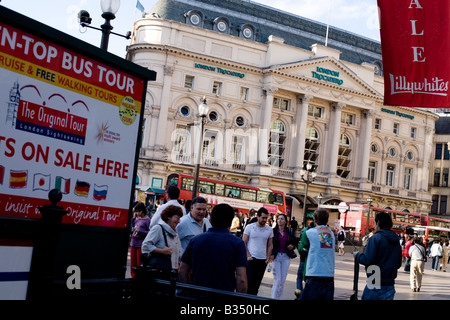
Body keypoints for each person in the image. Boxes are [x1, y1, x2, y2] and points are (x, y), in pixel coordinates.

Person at [178, 203, 248, 293]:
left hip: (197, 296)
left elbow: (182, 271)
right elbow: (241, 278)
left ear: (210, 219)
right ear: (231, 222)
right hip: (224, 296)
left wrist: (190, 292)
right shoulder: (238, 244)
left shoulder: (195, 240)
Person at [353, 211, 402, 300]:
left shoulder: (375, 238)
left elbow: (368, 260)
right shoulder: (396, 239)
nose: (374, 226)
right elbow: (398, 263)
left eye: (374, 223)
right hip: (389, 284)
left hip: (374, 281)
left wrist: (358, 255)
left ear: (378, 222)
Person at [299, 208, 335, 300]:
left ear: (314, 220)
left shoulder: (309, 232)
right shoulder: (331, 233)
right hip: (329, 276)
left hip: (314, 275)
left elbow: (302, 250)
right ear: (327, 220)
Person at [141, 205, 183, 273]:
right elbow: (145, 245)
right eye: (177, 218)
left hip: (172, 271)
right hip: (160, 271)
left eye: (179, 218)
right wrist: (162, 251)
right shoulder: (158, 228)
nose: (179, 221)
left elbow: (179, 252)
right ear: (169, 217)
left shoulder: (175, 233)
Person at [242, 207, 274, 295]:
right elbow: (244, 242)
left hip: (262, 260)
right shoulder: (249, 227)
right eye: (263, 218)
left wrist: (268, 258)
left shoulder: (269, 229)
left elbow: (270, 244)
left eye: (266, 218)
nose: (265, 220)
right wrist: (248, 256)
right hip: (251, 259)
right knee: (249, 282)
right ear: (258, 217)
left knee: (256, 285)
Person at [270, 213, 296, 299]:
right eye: (278, 219)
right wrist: (271, 254)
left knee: (282, 280)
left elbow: (294, 241)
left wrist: (292, 246)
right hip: (276, 257)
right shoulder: (273, 231)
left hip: (286, 257)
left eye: (282, 219)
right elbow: (270, 244)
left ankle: (279, 298)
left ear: (285, 221)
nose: (280, 220)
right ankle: (273, 298)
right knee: (277, 280)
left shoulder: (289, 231)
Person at [129, 202, 150, 278]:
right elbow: (131, 227)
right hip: (133, 243)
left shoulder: (148, 220)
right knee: (133, 263)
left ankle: (138, 278)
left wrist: (140, 231)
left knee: (139, 263)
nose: (137, 213)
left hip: (140, 244)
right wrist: (133, 219)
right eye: (136, 211)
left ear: (142, 211)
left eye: (138, 211)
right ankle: (133, 277)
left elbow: (149, 233)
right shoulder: (136, 219)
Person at [295, 221, 315, 299]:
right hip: (313, 262)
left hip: (304, 260)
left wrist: (300, 246)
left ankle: (300, 294)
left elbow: (302, 248)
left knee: (300, 276)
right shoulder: (319, 233)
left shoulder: (307, 231)